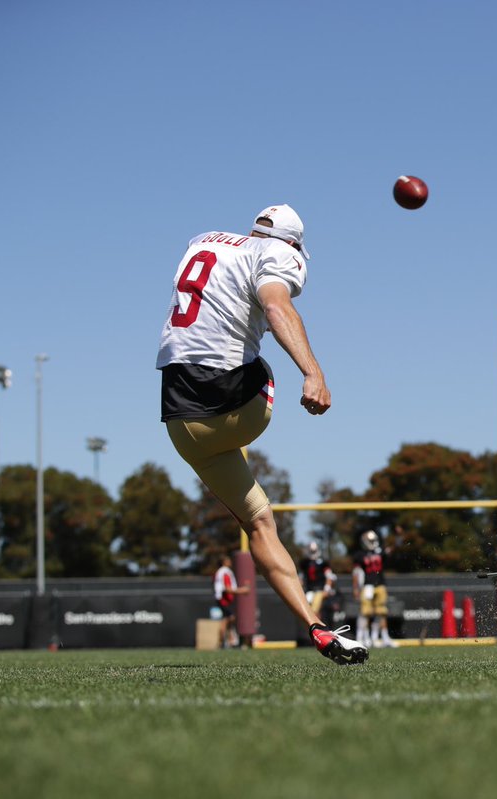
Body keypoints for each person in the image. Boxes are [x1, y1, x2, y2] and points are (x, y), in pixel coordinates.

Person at [157, 204, 367, 665]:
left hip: (179, 418)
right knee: (263, 367)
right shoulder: (277, 253)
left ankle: (317, 628)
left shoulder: (203, 239)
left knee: (259, 522)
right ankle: (315, 625)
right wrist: (313, 372)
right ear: (291, 243)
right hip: (231, 399)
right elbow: (275, 304)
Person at [353, 530, 396, 648]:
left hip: (380, 584)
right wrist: (356, 588)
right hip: (367, 585)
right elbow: (356, 573)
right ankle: (362, 637)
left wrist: (397, 538)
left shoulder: (379, 551)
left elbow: (391, 550)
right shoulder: (360, 555)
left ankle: (379, 637)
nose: (372, 542)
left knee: (381, 612)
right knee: (365, 612)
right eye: (370, 540)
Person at [213, 554, 250, 648]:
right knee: (227, 619)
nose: (230, 562)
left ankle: (226, 641)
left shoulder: (220, 571)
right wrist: (243, 590)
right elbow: (228, 589)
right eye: (228, 560)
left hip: (223, 598)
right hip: (224, 599)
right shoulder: (225, 572)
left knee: (228, 619)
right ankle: (223, 642)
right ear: (224, 562)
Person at [298, 541, 337, 624]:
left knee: (315, 610)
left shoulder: (323, 563)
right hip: (309, 590)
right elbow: (301, 578)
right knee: (307, 611)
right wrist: (299, 590)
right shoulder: (304, 563)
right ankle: (314, 627)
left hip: (320, 590)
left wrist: (327, 589)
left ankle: (317, 627)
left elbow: (329, 577)